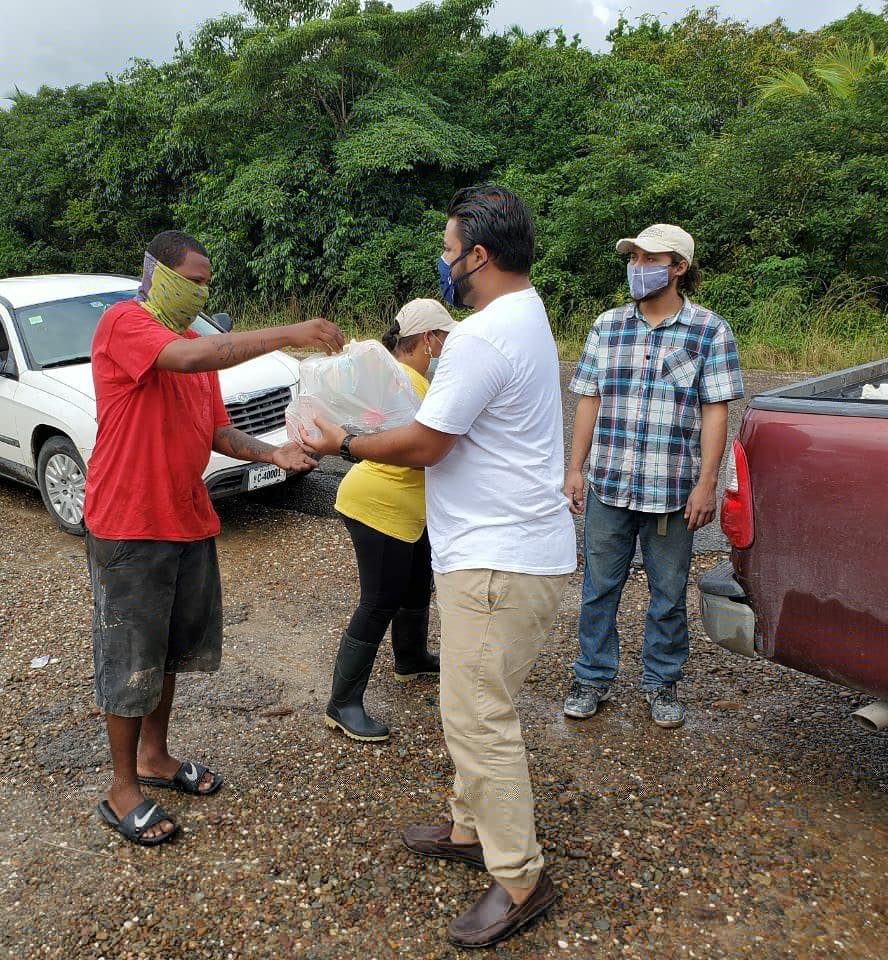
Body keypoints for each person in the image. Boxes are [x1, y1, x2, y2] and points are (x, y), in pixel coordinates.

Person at [297, 185, 576, 949]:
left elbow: (426, 442)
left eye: (449, 250)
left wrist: (341, 444)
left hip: (497, 561)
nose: (443, 262)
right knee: (470, 701)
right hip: (510, 556)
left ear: (477, 256)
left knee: (479, 717)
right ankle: (467, 826)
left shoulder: (481, 338)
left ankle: (520, 876)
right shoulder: (528, 311)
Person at [85, 230, 344, 847]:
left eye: (207, 282)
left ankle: (156, 756)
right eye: (192, 280)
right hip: (129, 522)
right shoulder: (125, 326)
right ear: (158, 275)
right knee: (129, 656)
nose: (201, 290)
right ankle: (122, 786)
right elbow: (196, 360)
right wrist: (291, 332)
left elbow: (217, 434)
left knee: (170, 651)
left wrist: (276, 454)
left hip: (186, 518)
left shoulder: (196, 344)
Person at [562, 224, 744, 728]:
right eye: (634, 258)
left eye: (649, 259)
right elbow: (589, 400)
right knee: (599, 587)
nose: (637, 268)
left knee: (668, 594)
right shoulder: (608, 325)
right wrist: (575, 468)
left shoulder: (709, 330)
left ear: (679, 267)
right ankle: (591, 677)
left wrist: (707, 482)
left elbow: (715, 410)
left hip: (672, 491)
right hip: (610, 485)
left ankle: (661, 683)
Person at [325, 298, 458, 742]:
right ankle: (342, 703)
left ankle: (411, 657)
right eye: (445, 339)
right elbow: (419, 452)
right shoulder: (409, 385)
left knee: (418, 582)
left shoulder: (403, 377)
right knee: (379, 600)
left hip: (403, 508)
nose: (447, 348)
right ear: (426, 341)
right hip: (380, 507)